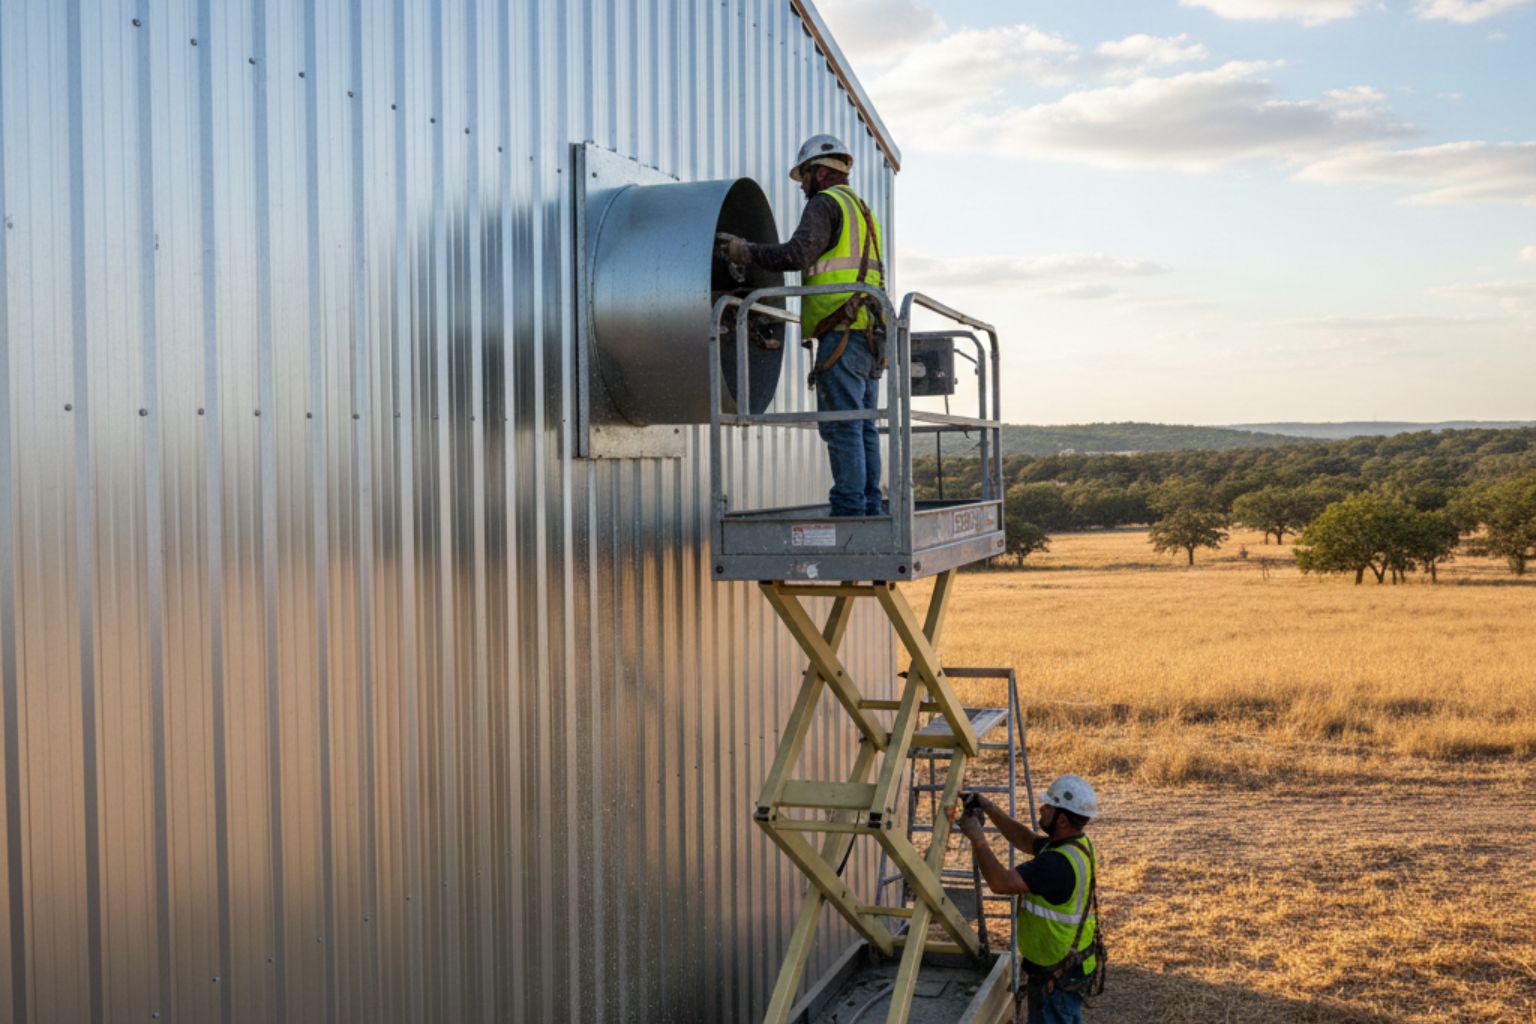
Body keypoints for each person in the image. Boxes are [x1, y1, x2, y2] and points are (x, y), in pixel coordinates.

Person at [715, 134, 886, 517]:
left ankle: (849, 512)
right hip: (868, 334)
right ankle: (869, 507)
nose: (801, 186)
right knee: (862, 426)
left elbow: (798, 253)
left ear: (819, 172)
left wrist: (746, 251)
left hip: (841, 331)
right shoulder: (863, 211)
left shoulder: (825, 204)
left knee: (843, 427)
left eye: (803, 178)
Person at [948, 774, 1102, 1024]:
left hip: (1057, 973)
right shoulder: (1074, 844)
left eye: (1048, 807)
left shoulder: (1056, 864)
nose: (1041, 809)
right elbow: (1026, 840)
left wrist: (977, 839)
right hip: (1068, 963)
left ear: (1062, 819)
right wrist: (989, 807)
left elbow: (1001, 883)